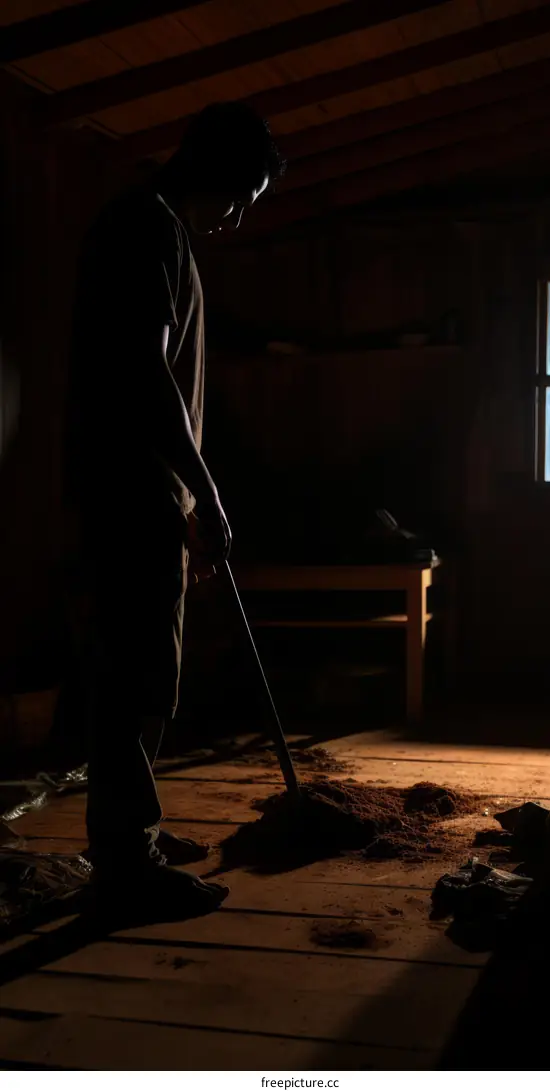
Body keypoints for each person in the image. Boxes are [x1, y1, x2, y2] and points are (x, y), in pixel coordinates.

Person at [63, 102, 285, 916]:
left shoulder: (165, 233)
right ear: (216, 168)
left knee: (152, 670)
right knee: (131, 673)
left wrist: (188, 496)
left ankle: (133, 832)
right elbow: (145, 373)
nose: (239, 213)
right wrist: (207, 486)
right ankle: (125, 861)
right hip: (127, 486)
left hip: (150, 488)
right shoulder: (143, 229)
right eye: (243, 194)